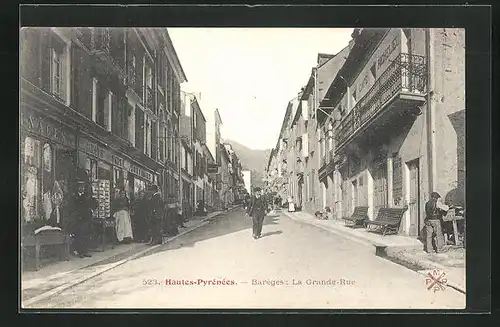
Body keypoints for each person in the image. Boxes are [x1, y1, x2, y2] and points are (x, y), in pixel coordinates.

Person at [71, 181, 95, 258]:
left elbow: (92, 204)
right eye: (80, 187)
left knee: (86, 235)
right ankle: (80, 251)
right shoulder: (74, 196)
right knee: (79, 235)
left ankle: (85, 251)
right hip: (79, 219)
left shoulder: (86, 196)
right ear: (77, 188)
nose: (82, 188)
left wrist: (91, 210)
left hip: (86, 218)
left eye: (83, 187)